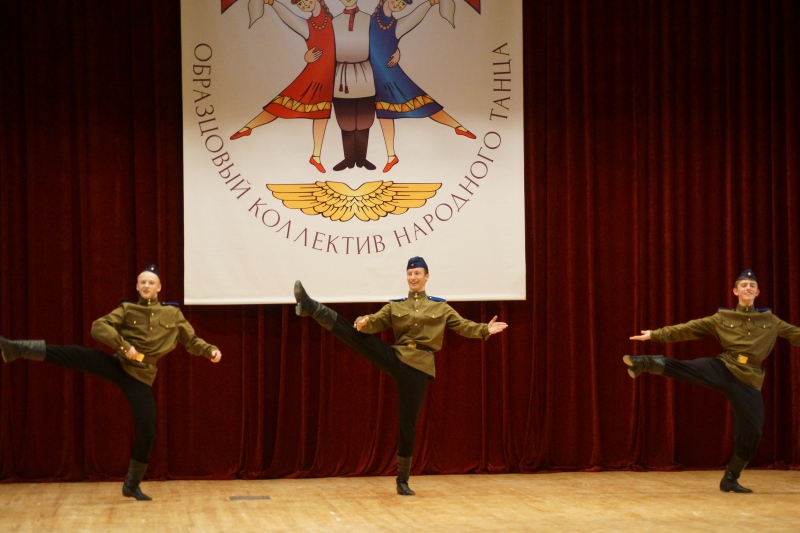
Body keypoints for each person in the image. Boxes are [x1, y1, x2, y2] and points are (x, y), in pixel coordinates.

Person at [0, 265, 222, 501]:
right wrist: (124, 346)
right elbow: (98, 327)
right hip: (118, 365)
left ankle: (131, 485)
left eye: (151, 283)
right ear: (137, 287)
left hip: (140, 376)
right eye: (142, 282)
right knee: (75, 354)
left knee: (147, 430)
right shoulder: (127, 309)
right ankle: (17, 349)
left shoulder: (172, 314)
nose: (146, 286)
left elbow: (191, 341)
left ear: (159, 288)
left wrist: (209, 350)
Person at [293, 256, 508, 495]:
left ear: (426, 277)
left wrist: (484, 330)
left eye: (417, 274)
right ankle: (313, 308)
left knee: (407, 423)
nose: (413, 278)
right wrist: (363, 322)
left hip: (418, 366)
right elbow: (374, 321)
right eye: (409, 274)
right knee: (357, 339)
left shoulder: (440, 307)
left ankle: (402, 480)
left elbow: (463, 326)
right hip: (396, 357)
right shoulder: (396, 306)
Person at [625, 269, 800, 493]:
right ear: (735, 291)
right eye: (744, 285)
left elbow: (795, 334)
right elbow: (689, 328)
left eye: (752, 286)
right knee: (690, 368)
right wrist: (656, 334)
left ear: (757, 292)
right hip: (725, 367)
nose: (748, 288)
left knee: (753, 432)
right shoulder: (722, 318)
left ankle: (730, 478)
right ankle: (644, 363)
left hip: (748, 378)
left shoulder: (770, 320)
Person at [370, 0, 476, 173]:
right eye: (397, 0)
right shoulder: (368, 21)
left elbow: (415, 16)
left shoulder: (396, 26)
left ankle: (458, 127)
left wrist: (430, 3)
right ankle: (391, 156)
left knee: (422, 102)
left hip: (392, 74)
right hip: (376, 76)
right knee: (384, 113)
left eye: (403, 4)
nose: (398, 5)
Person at [231, 0, 335, 173]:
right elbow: (288, 17)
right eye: (300, 4)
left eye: (306, 1)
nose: (304, 5)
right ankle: (247, 127)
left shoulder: (334, 21)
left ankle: (316, 156)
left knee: (321, 114)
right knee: (282, 104)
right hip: (313, 74)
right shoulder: (307, 26)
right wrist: (272, 3)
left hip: (328, 76)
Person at [330, 0, 377, 171]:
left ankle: (361, 159)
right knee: (346, 121)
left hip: (365, 74)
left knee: (365, 119)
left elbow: (379, 43)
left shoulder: (369, 20)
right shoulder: (334, 21)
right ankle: (349, 159)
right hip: (342, 77)